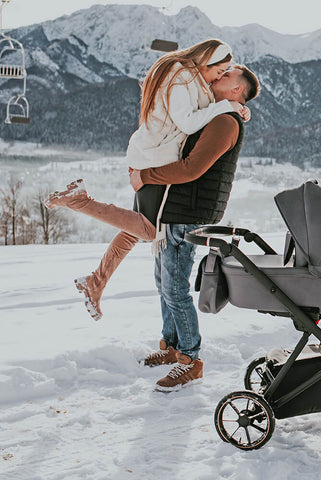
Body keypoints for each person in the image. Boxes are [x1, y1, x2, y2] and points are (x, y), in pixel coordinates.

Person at [46, 65, 261, 391]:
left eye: (227, 76)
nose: (220, 76)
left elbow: (192, 168)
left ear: (236, 91)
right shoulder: (217, 113)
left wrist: (145, 176)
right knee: (164, 283)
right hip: (174, 209)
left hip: (186, 212)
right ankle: (172, 346)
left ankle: (191, 360)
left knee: (174, 288)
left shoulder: (224, 122)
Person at [45, 39, 248, 321]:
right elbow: (189, 123)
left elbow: (202, 111)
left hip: (155, 155)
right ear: (208, 60)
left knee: (133, 228)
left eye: (225, 73)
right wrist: (227, 104)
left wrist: (232, 106)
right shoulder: (181, 75)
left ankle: (96, 283)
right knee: (148, 230)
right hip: (155, 158)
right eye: (221, 70)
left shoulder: (191, 77)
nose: (218, 75)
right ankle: (79, 201)